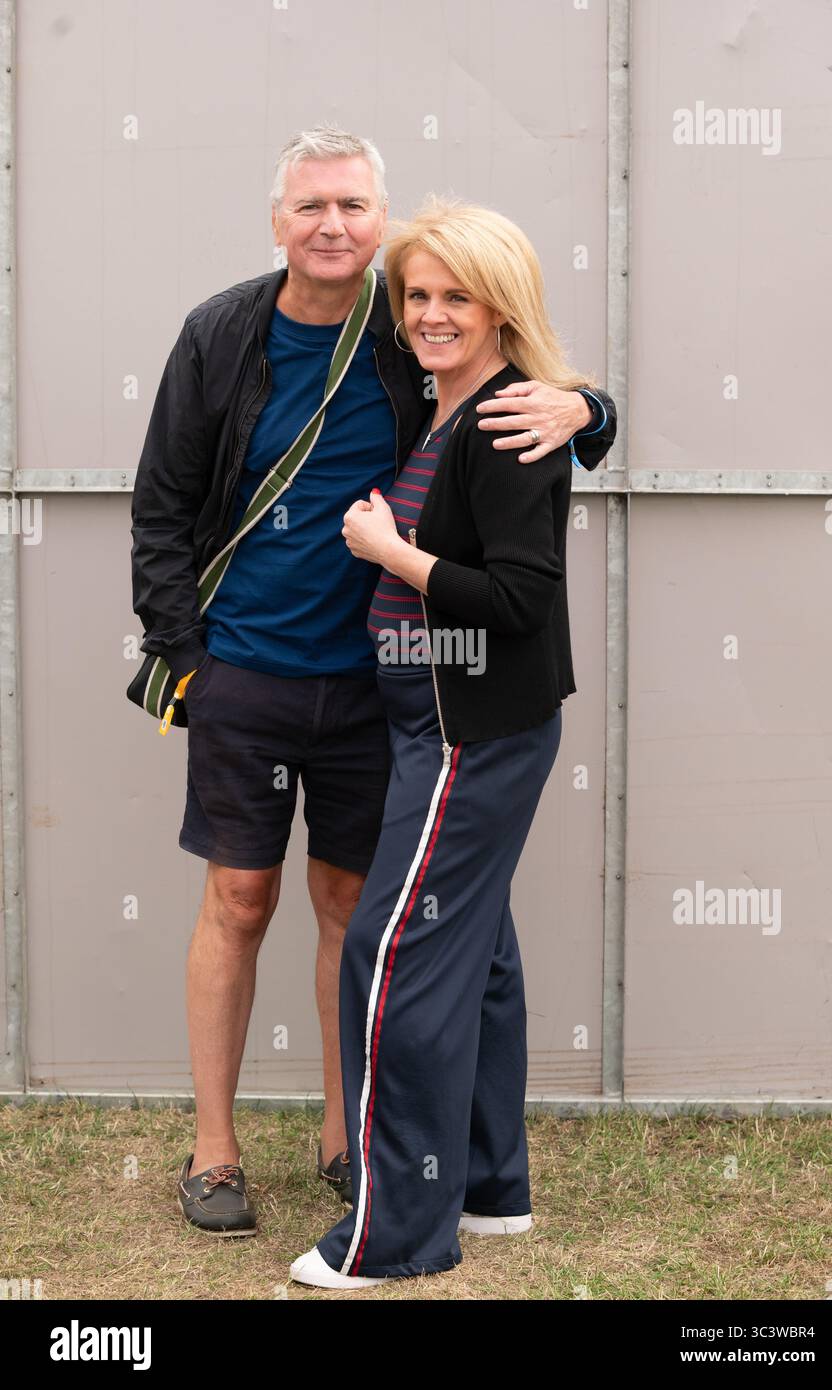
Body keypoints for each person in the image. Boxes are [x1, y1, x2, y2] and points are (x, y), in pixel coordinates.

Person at [130, 127, 616, 1236]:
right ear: (277, 221)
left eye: (353, 206)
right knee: (237, 901)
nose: (333, 226)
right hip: (243, 676)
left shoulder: (408, 328)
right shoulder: (219, 335)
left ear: (379, 219)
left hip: (383, 682)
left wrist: (590, 409)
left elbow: (519, 378)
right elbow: (161, 508)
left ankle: (350, 1136)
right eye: (311, 207)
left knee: (355, 910)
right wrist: (187, 658)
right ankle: (214, 1153)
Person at [289, 197, 608, 1287]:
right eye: (416, 294)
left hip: (465, 726)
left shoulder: (509, 420)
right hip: (443, 716)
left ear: (499, 304)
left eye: (453, 297)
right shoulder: (460, 403)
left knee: (396, 955)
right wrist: (591, 405)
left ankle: (393, 1237)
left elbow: (517, 598)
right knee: (476, 952)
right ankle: (484, 1183)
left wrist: (391, 551)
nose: (428, 314)